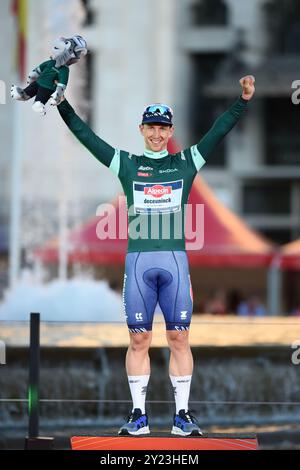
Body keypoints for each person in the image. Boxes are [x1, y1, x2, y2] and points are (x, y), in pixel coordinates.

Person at [56, 75, 255, 436]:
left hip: (175, 263)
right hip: (139, 264)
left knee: (179, 338)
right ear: (142, 129)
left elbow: (218, 131)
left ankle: (182, 417)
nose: (158, 134)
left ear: (170, 131)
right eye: (152, 127)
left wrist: (243, 100)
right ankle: (138, 417)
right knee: (138, 339)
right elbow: (87, 139)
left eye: (163, 128)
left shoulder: (186, 162)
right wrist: (61, 104)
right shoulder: (127, 164)